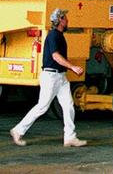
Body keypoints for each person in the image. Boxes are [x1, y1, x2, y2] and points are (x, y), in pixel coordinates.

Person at [10, 8, 88, 148]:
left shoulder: (59, 35)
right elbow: (55, 56)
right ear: (60, 20)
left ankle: (70, 137)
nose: (67, 20)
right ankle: (17, 130)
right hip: (51, 76)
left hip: (60, 76)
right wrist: (73, 67)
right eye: (65, 18)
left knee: (68, 106)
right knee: (42, 107)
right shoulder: (53, 35)